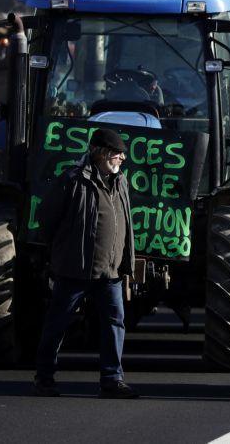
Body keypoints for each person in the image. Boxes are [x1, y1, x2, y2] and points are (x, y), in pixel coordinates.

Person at [33, 128, 138, 398]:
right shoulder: (73, 180)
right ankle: (44, 378)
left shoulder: (121, 182)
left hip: (110, 271)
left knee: (115, 322)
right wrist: (61, 252)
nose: (122, 158)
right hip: (74, 270)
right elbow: (46, 218)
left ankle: (112, 380)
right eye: (117, 154)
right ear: (101, 153)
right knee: (58, 323)